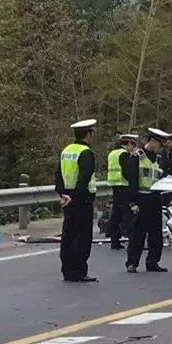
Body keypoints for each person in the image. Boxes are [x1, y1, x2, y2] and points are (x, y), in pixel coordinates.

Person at [56, 118, 99, 282]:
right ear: (88, 135)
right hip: (81, 200)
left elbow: (58, 174)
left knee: (68, 235)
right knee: (82, 237)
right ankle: (79, 270)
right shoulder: (85, 153)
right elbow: (85, 176)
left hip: (67, 199)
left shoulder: (66, 151)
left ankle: (67, 270)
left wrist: (63, 194)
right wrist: (74, 195)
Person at [126, 128, 171, 273]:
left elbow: (163, 177)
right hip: (141, 197)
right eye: (159, 144)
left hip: (155, 198)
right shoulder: (137, 156)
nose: (160, 148)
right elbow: (132, 179)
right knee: (138, 233)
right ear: (152, 141)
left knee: (156, 233)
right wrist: (132, 202)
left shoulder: (158, 159)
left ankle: (153, 261)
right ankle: (132, 262)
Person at [107, 134, 137, 250]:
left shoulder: (112, 153)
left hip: (114, 185)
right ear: (128, 144)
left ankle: (114, 241)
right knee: (127, 214)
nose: (133, 148)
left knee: (116, 215)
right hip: (124, 186)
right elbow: (127, 171)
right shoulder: (123, 154)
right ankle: (132, 239)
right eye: (132, 145)